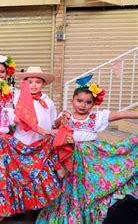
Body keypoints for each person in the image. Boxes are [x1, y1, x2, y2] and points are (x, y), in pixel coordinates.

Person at [37, 77, 138, 223]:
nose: (83, 105)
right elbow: (55, 127)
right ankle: (67, 214)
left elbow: (122, 114)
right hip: (68, 158)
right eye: (79, 101)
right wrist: (62, 119)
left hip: (90, 160)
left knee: (87, 189)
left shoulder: (96, 117)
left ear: (94, 103)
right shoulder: (66, 116)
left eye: (88, 102)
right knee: (68, 188)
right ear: (73, 100)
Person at [0, 79, 61, 222]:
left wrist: (45, 131)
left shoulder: (7, 112)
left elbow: (26, 123)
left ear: (1, 96)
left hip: (3, 149)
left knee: (2, 178)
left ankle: (1, 210)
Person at [13, 66, 57, 144]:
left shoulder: (48, 101)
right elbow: (21, 118)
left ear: (43, 84)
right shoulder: (19, 97)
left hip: (43, 141)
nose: (34, 85)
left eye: (38, 82)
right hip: (23, 140)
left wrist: (62, 118)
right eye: (30, 82)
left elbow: (53, 121)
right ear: (24, 83)